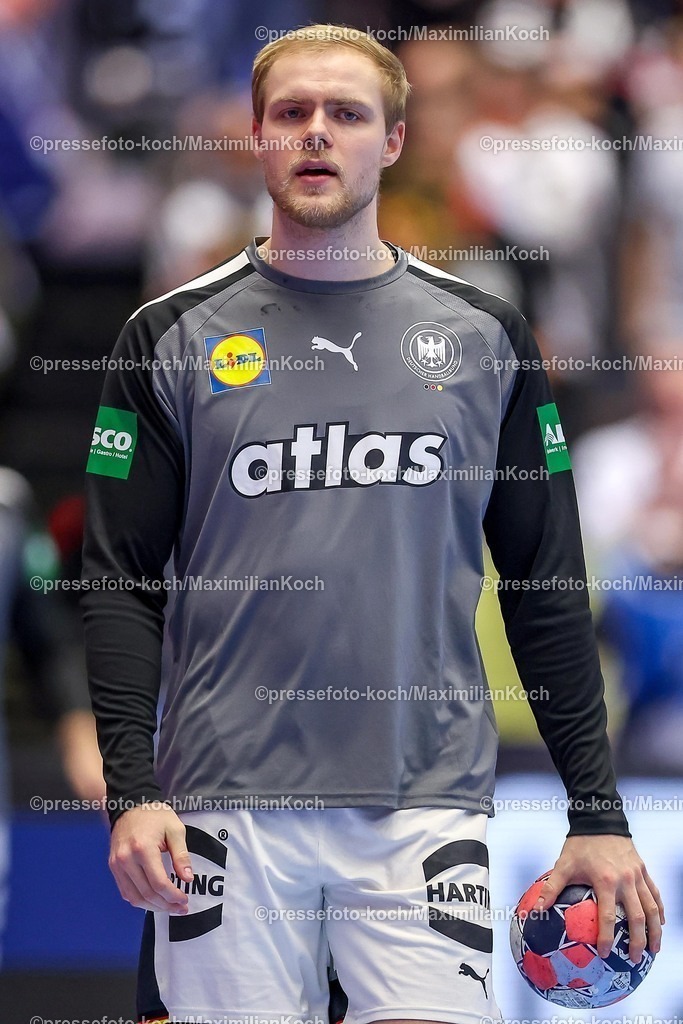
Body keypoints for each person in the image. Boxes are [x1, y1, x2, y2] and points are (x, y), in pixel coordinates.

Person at [81, 24, 664, 1024]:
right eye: (291, 113)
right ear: (259, 137)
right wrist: (133, 788)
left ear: (392, 140)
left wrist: (597, 813)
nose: (317, 134)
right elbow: (118, 578)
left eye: (345, 113)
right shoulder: (168, 335)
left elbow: (546, 582)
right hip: (224, 805)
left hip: (423, 807)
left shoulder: (486, 338)